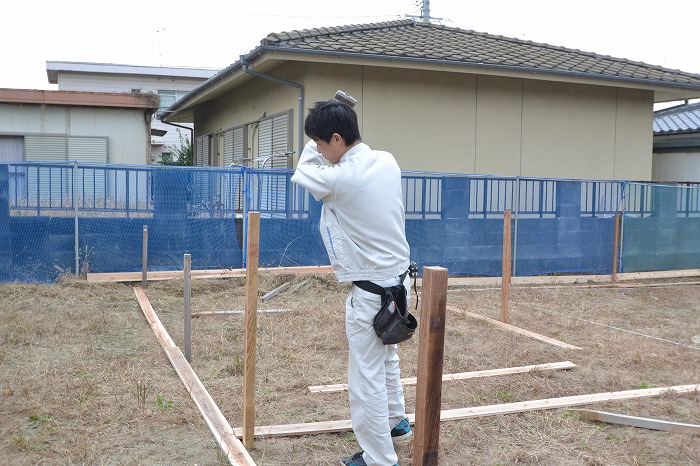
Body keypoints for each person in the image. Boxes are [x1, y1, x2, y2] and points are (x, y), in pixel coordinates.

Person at [291, 99, 413, 466]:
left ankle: (378, 458)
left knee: (366, 376)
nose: (319, 151)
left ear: (337, 138)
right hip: (398, 284)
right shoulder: (387, 160)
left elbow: (302, 169)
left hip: (371, 294)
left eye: (321, 142)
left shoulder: (341, 178)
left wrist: (311, 143)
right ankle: (396, 422)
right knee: (387, 356)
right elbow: (324, 156)